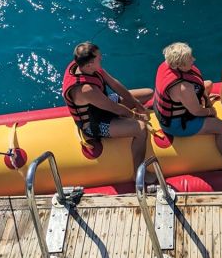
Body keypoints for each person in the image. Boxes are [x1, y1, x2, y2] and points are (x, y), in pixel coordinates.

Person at [62, 42, 154, 179]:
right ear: (89, 64)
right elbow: (114, 108)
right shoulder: (86, 89)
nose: (102, 58)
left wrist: (136, 103)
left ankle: (133, 111)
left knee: (148, 93)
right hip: (94, 123)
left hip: (102, 103)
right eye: (99, 58)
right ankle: (139, 174)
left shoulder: (84, 66)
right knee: (140, 129)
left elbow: (114, 84)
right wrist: (137, 116)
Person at [153, 42, 222, 172]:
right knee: (221, 127)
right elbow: (197, 111)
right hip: (177, 124)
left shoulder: (165, 66)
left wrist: (207, 100)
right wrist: (210, 110)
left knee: (208, 84)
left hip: (179, 105)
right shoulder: (183, 88)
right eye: (189, 59)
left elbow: (198, 86)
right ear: (179, 65)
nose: (194, 60)